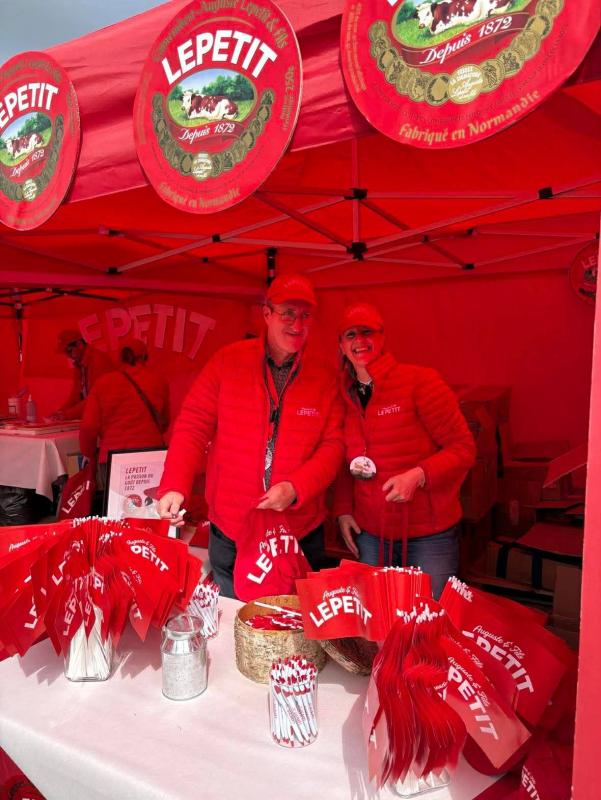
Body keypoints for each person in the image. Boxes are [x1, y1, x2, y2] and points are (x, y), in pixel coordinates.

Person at [157, 274, 344, 598]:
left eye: (305, 315)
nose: (297, 324)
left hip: (298, 529)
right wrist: (175, 483)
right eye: (288, 313)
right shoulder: (228, 362)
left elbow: (334, 445)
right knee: (234, 617)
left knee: (296, 621)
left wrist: (296, 488)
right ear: (267, 314)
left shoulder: (324, 375)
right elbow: (192, 425)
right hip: (233, 526)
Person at [334, 302, 475, 598]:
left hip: (429, 536)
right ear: (341, 345)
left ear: (382, 336)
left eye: (367, 332)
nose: (359, 341)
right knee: (374, 617)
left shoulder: (420, 382)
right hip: (372, 533)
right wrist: (343, 510)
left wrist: (419, 475)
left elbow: (463, 448)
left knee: (429, 616)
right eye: (350, 335)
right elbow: (346, 462)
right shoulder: (342, 396)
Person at [79, 338, 170, 485]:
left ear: (119, 358)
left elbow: (88, 427)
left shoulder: (103, 383)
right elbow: (164, 422)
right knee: (151, 498)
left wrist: (89, 454)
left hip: (113, 458)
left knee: (116, 500)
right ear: (145, 357)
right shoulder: (158, 381)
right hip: (152, 455)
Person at [52, 330, 114, 420]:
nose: (68, 356)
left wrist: (66, 415)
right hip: (97, 416)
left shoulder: (98, 362)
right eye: (65, 353)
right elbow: (75, 396)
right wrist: (60, 412)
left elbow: (95, 399)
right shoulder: (80, 363)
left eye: (69, 351)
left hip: (107, 418)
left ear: (79, 344)